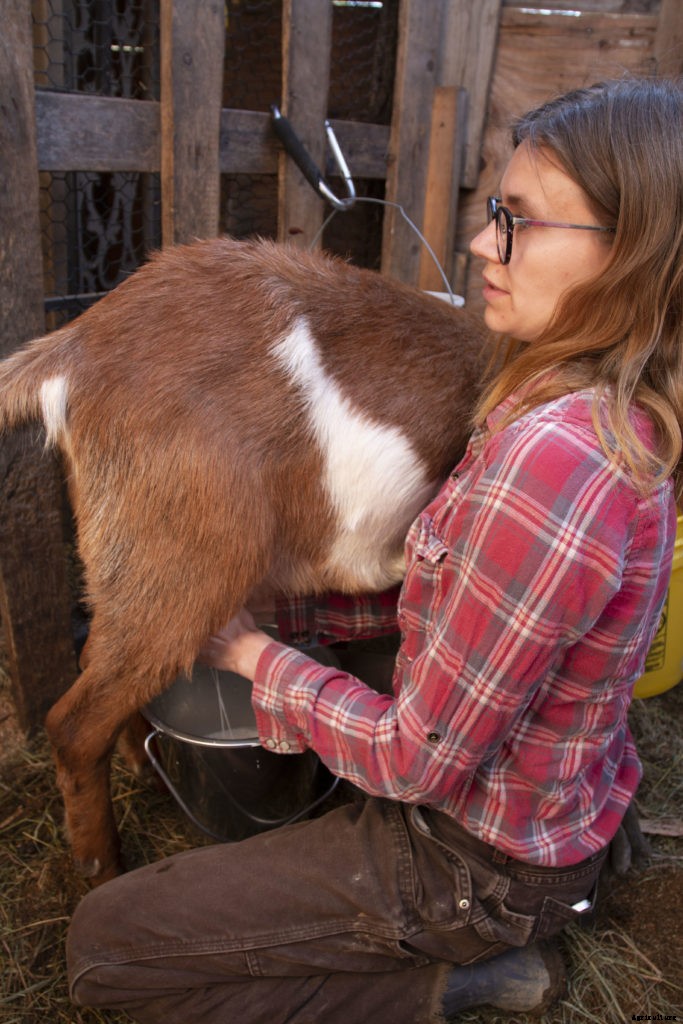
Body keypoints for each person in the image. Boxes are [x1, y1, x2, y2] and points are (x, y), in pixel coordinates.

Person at [66, 75, 682, 1024]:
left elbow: (417, 764)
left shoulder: (554, 463)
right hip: (541, 808)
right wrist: (275, 600)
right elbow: (454, 601)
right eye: (492, 211)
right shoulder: (582, 406)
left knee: (105, 954)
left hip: (476, 863)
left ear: (628, 254)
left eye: (518, 221)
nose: (482, 243)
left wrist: (247, 651)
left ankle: (459, 979)